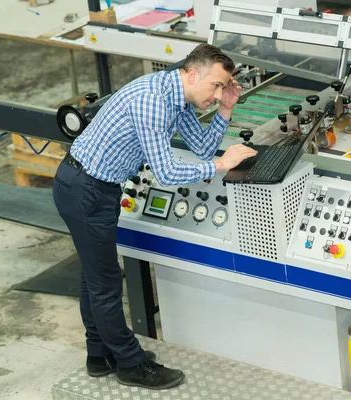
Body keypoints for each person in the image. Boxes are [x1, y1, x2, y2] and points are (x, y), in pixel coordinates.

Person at [52, 44, 257, 390]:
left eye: (224, 87)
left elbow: (201, 148)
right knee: (106, 281)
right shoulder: (154, 102)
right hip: (85, 188)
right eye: (217, 86)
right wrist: (222, 165)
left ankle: (99, 355)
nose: (219, 92)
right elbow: (166, 173)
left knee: (94, 275)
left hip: (94, 187)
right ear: (193, 74)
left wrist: (225, 109)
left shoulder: (177, 97)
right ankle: (129, 364)